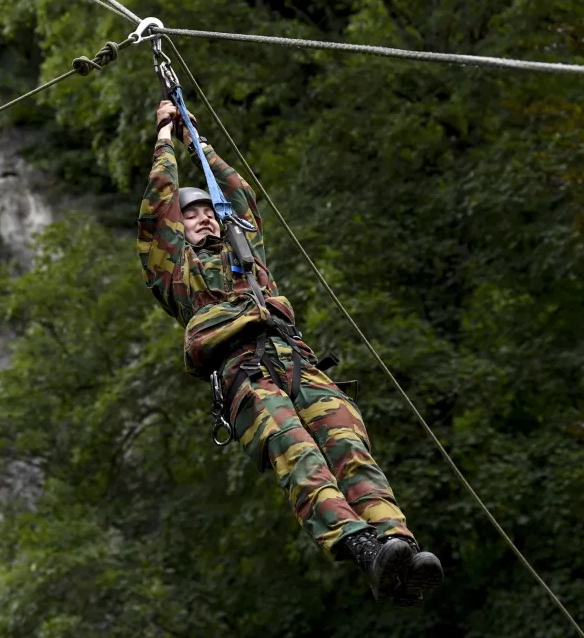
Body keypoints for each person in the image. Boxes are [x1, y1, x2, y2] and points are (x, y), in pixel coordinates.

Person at [138, 100, 443, 605]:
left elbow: (235, 191)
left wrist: (198, 138)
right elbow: (157, 208)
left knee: (349, 445)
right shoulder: (173, 272)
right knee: (296, 451)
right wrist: (167, 136)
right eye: (190, 216)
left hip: (293, 355)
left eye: (208, 212)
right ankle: (361, 547)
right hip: (242, 367)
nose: (203, 220)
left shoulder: (246, 253)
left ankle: (397, 546)